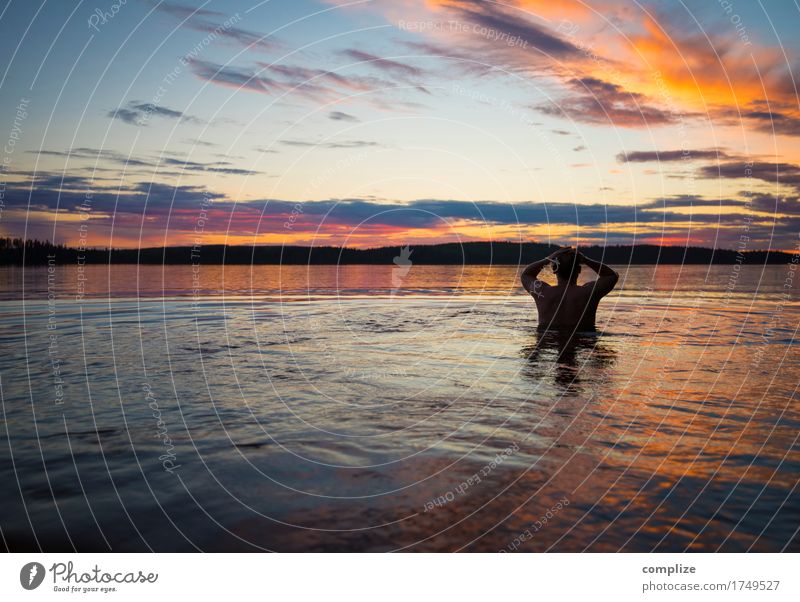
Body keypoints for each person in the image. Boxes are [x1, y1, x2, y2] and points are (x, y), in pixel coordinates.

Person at [520, 246, 619, 331]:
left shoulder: (543, 292)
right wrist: (585, 259)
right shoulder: (589, 292)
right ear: (579, 270)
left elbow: (526, 274)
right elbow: (611, 276)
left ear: (554, 270)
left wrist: (549, 259)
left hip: (548, 340)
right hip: (583, 341)